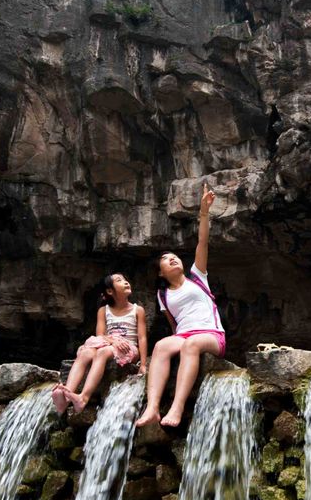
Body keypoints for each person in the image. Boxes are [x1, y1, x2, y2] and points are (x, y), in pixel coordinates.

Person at [137, 182, 224, 428]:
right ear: (161, 273)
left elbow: (202, 243)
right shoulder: (162, 295)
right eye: (165, 259)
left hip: (211, 334)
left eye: (173, 255)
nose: (172, 258)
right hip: (183, 334)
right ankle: (152, 408)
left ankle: (177, 407)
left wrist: (204, 212)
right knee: (163, 345)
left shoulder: (198, 276)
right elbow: (173, 325)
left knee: (192, 344)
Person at [52, 273, 148, 415]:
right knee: (85, 353)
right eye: (119, 280)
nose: (126, 282)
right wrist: (113, 341)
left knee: (103, 352)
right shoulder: (103, 311)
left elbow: (142, 338)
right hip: (108, 343)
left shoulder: (137, 310)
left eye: (126, 280)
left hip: (128, 347)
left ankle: (83, 398)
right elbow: (100, 335)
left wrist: (144, 364)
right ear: (110, 291)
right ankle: (67, 396)